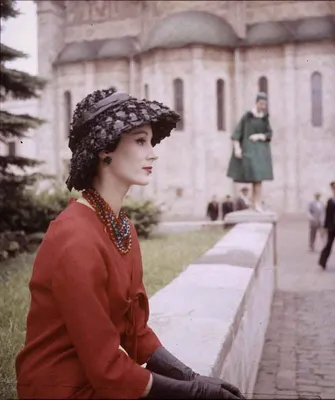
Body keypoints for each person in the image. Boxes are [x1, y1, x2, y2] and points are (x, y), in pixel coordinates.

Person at [15, 88, 244, 399]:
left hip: (100, 379)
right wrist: (194, 393)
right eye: (140, 141)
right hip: (63, 388)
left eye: (150, 141)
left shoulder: (122, 228)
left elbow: (134, 333)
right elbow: (106, 369)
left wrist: (192, 377)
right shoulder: (75, 239)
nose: (153, 152)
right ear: (104, 149)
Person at [227, 92, 274, 212]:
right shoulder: (247, 117)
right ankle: (255, 203)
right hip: (249, 150)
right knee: (254, 176)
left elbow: (269, 133)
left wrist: (260, 136)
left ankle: (256, 203)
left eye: (265, 104)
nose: (263, 106)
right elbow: (237, 133)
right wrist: (237, 148)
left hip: (261, 151)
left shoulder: (264, 118)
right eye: (261, 104)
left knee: (258, 179)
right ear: (257, 103)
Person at [319, 181, 335, 269]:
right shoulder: (330, 201)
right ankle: (322, 262)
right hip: (332, 227)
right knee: (328, 244)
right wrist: (325, 226)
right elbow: (327, 215)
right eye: (334, 188)